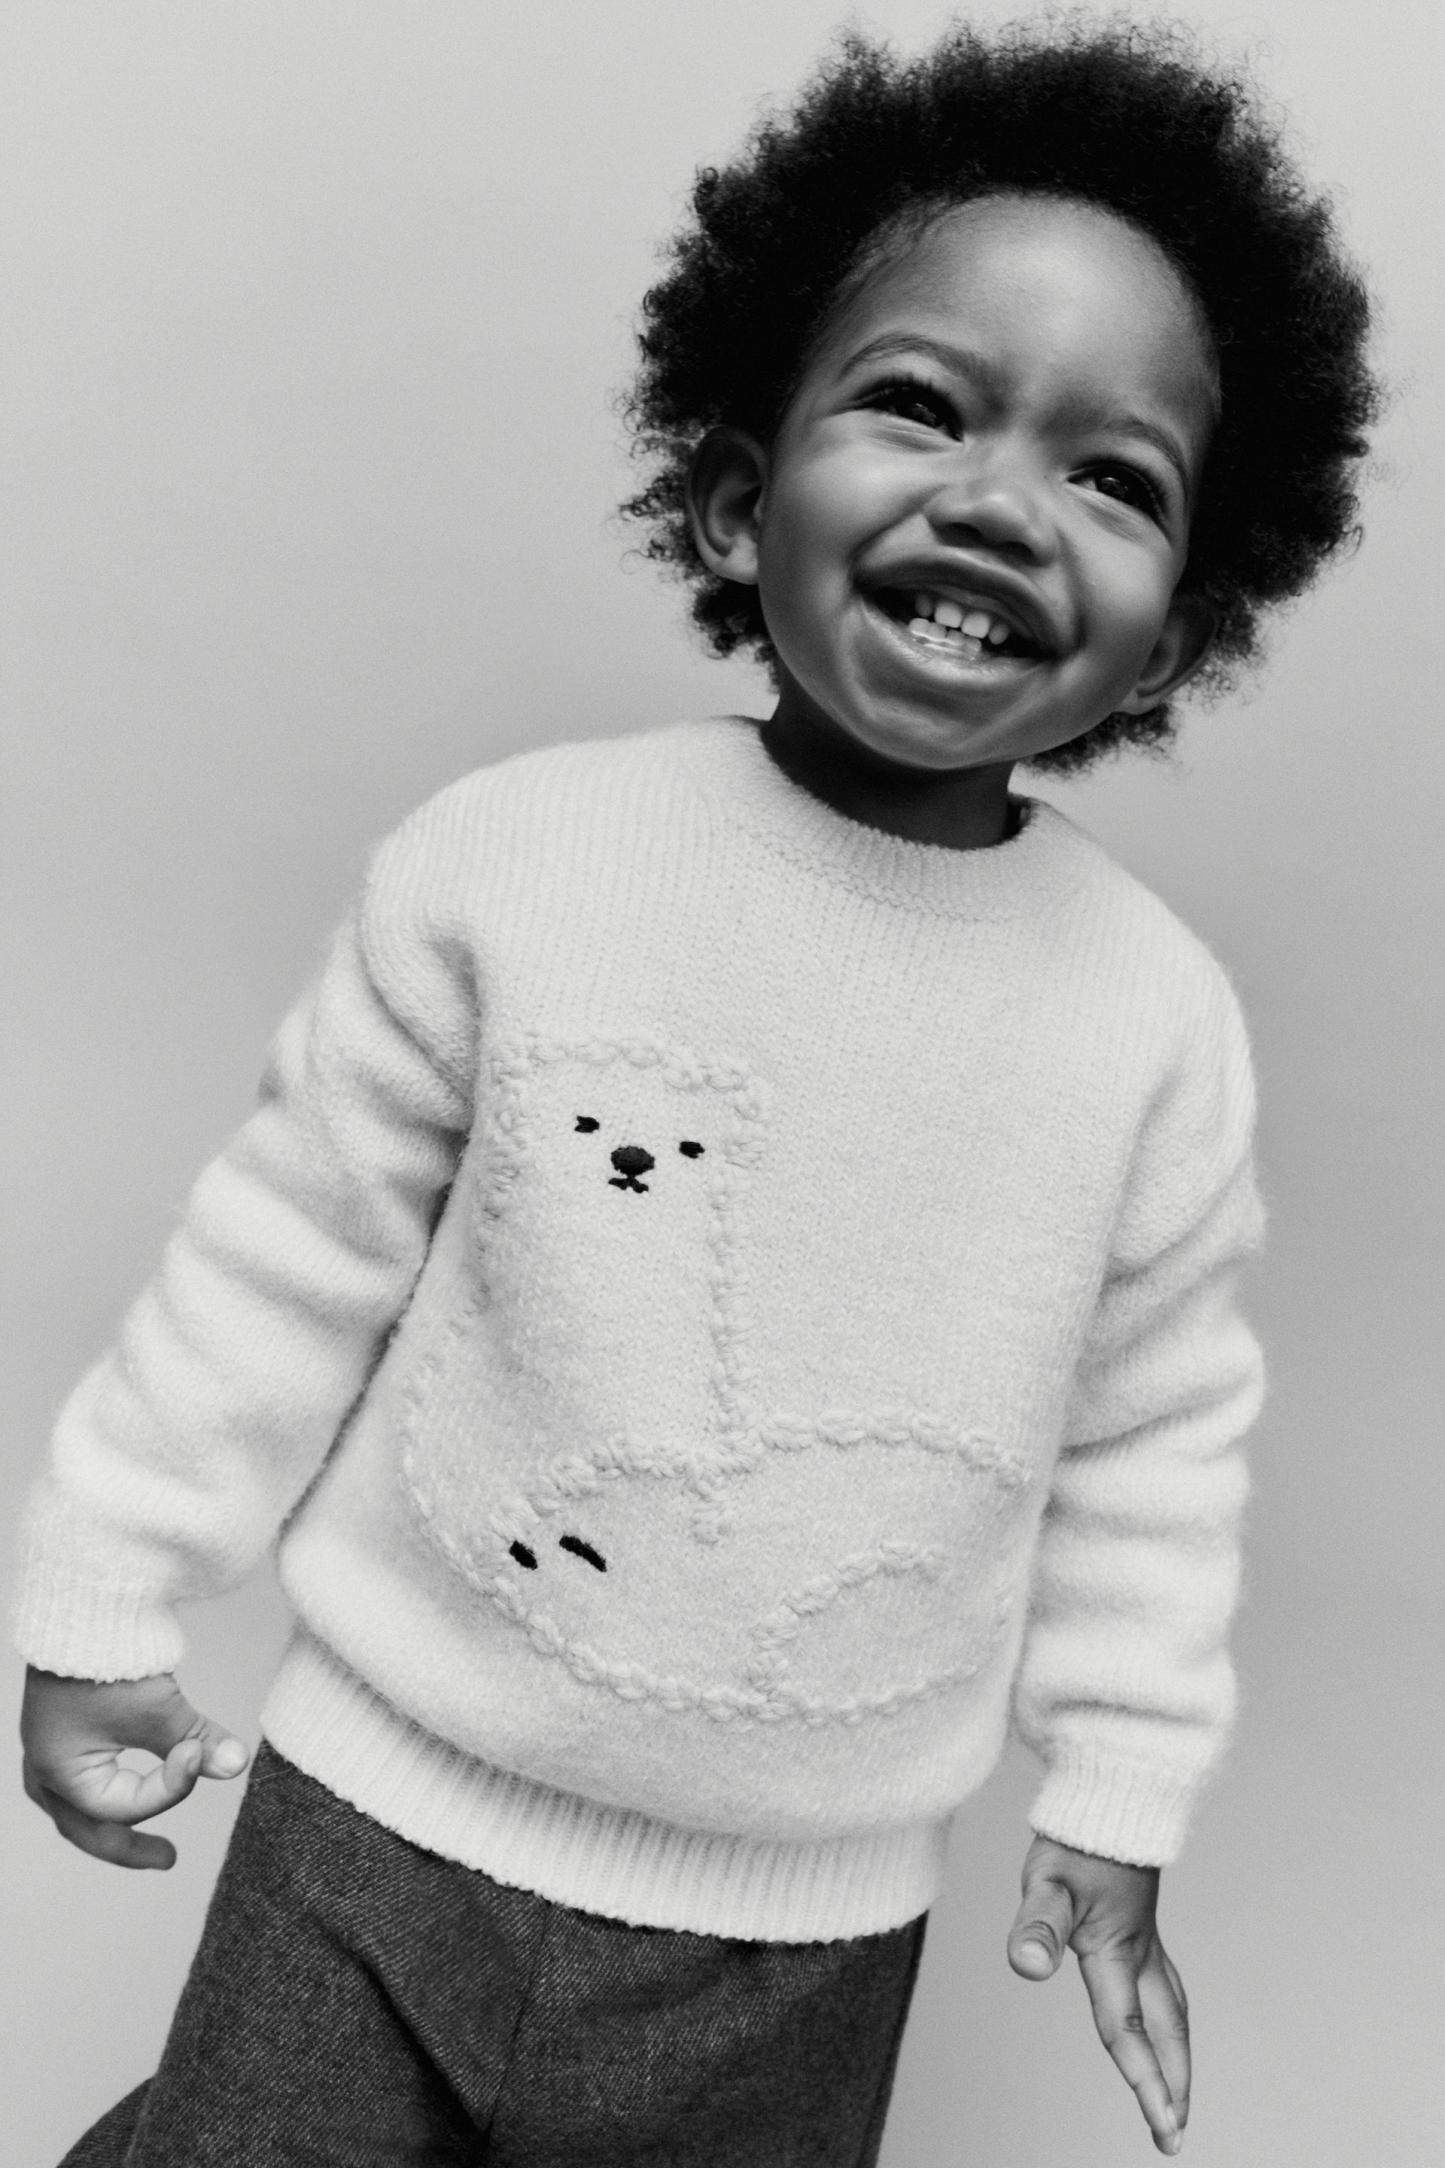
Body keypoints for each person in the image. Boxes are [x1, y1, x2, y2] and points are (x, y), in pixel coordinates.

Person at [16, 19, 1376, 2165]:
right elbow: (287, 1254)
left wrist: (1121, 1788)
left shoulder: (1147, 1024)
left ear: (1174, 641)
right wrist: (106, 1588)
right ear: (742, 500)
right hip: (373, 1817)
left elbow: (1156, 1439)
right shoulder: (520, 861)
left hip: (798, 1939)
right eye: (921, 403)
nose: (999, 499)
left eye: (1113, 477)